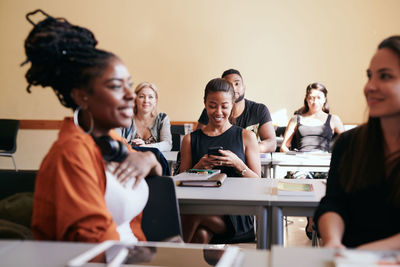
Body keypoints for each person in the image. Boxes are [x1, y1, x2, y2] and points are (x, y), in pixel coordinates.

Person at [23, 10, 162, 243]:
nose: (131, 96)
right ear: (81, 96)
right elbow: (94, 245)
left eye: (129, 84)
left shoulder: (113, 142)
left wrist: (149, 159)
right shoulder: (71, 153)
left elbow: (157, 176)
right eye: (117, 86)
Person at [314, 36, 400, 249]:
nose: (370, 86)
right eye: (370, 76)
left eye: (385, 76)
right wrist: (333, 241)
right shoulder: (349, 143)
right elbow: (334, 202)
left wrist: (367, 253)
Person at [180, 78, 261, 244]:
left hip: (237, 214)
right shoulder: (190, 140)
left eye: (224, 106)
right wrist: (197, 168)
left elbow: (259, 183)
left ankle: (169, 255)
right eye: (212, 105)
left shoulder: (246, 136)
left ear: (232, 104)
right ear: (204, 103)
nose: (218, 112)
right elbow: (179, 183)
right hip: (202, 207)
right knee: (201, 235)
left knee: (193, 213)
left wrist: (239, 165)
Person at [197, 69, 276, 153]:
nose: (233, 87)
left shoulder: (259, 110)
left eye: (237, 83)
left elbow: (271, 143)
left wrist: (243, 150)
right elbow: (198, 143)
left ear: (244, 87)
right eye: (229, 84)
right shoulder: (212, 112)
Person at [280, 82, 344, 153]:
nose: (315, 101)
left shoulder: (334, 119)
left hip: (324, 160)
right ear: (306, 99)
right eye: (311, 98)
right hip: (301, 160)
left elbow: (348, 142)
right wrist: (294, 156)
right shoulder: (295, 119)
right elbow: (284, 147)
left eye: (319, 98)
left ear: (324, 99)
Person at [119, 82, 172, 152]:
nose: (146, 100)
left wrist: (146, 147)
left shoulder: (162, 118)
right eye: (142, 96)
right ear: (135, 99)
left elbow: (167, 144)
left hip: (155, 162)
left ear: (155, 100)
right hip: (129, 160)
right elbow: (116, 140)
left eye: (150, 97)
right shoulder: (125, 117)